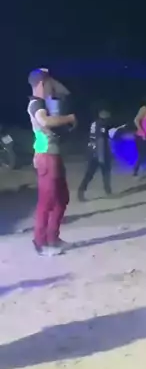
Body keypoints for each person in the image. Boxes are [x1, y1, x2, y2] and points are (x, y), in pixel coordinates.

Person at [27, 68, 76, 256]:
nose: (52, 86)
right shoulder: (37, 104)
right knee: (47, 201)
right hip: (47, 157)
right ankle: (41, 242)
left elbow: (65, 92)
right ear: (41, 84)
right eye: (49, 82)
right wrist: (69, 118)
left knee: (62, 199)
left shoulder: (43, 102)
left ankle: (53, 239)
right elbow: (45, 121)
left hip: (50, 154)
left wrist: (49, 79)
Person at [77, 106, 118, 201]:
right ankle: (108, 192)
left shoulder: (95, 123)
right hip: (99, 151)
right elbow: (101, 139)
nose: (109, 115)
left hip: (92, 150)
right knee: (105, 172)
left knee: (90, 173)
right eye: (107, 112)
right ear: (102, 113)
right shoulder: (102, 124)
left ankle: (81, 191)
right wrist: (101, 156)